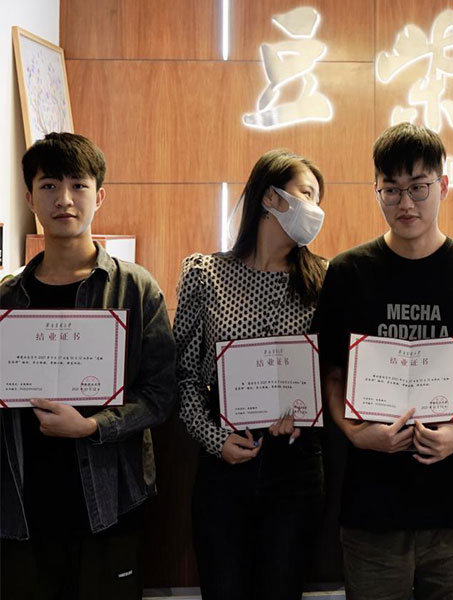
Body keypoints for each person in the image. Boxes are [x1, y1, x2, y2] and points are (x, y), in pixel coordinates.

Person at [312, 123, 453, 600]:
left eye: (418, 187)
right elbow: (332, 372)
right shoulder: (349, 273)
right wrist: (356, 432)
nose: (406, 204)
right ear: (376, 190)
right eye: (391, 190)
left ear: (443, 186)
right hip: (371, 505)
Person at [0, 132, 177, 599]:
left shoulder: (136, 288)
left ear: (99, 196)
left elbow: (161, 394)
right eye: (49, 185)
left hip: (111, 500)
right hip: (25, 506)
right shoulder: (7, 300)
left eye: (78, 185)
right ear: (29, 198)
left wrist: (92, 426)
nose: (64, 199)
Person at [174, 149, 327, 600]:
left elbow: (331, 373)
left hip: (294, 467)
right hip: (224, 464)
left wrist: (303, 418)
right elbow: (182, 375)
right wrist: (214, 438)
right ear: (270, 197)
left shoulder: (326, 279)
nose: (315, 209)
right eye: (306, 194)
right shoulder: (205, 273)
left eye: (318, 199)